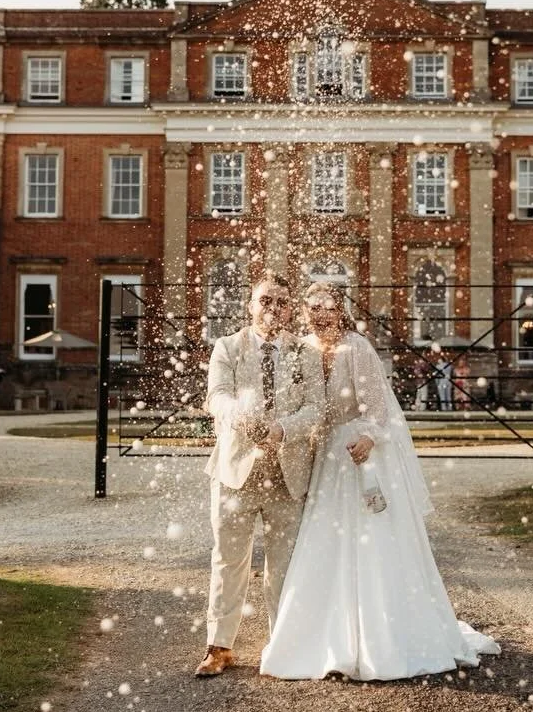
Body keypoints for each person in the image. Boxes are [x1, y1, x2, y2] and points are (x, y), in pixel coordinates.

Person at [259, 281, 499, 681]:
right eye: (313, 308)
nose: (321, 315)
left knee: (368, 544)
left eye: (328, 308)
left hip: (357, 455)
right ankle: (325, 635)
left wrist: (368, 437)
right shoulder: (301, 349)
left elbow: (379, 409)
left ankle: (378, 637)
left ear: (341, 311)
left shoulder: (357, 348)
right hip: (323, 461)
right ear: (304, 312)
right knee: (323, 543)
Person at [195, 273, 325, 678]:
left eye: (282, 302)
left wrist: (282, 429)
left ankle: (282, 645)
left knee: (283, 564)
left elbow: (316, 408)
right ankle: (220, 646)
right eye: (265, 300)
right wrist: (243, 419)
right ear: (250, 305)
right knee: (228, 560)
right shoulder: (227, 347)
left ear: (290, 309)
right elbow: (217, 396)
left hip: (287, 475)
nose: (274, 307)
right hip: (236, 472)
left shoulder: (305, 352)